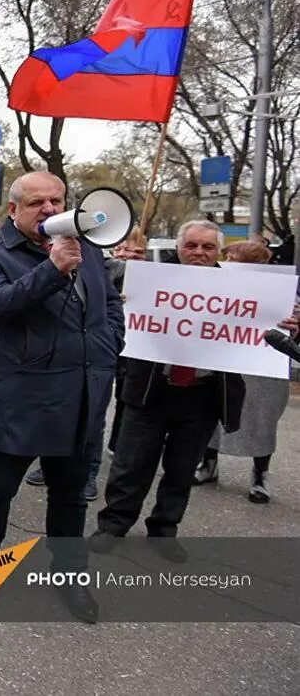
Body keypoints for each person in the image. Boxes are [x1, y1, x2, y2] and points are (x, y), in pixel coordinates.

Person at [0, 173, 123, 624]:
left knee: (70, 496)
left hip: (81, 394)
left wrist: (110, 345)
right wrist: (51, 269)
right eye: (38, 202)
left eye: (57, 200)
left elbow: (109, 304)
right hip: (22, 396)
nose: (50, 209)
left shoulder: (85, 245)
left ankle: (69, 577)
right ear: (14, 210)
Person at [91, 221, 297, 560]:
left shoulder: (242, 289)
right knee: (131, 465)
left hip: (203, 395)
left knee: (182, 468)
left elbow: (266, 334)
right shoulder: (150, 279)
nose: (199, 253)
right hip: (150, 390)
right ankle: (114, 524)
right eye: (192, 246)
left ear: (218, 251)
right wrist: (122, 302)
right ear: (179, 246)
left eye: (207, 247)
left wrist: (286, 324)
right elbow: (108, 306)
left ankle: (165, 529)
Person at [25, 226, 147, 495]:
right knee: (59, 410)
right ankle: (49, 464)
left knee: (93, 418)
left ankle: (89, 472)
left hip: (106, 355)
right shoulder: (98, 263)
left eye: (134, 249)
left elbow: (113, 305)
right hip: (72, 354)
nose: (127, 253)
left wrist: (112, 341)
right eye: (123, 248)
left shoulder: (149, 272)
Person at [194, 241, 295, 503]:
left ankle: (260, 474)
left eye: (235, 259)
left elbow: (292, 334)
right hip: (222, 360)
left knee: (262, 421)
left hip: (264, 368)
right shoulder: (211, 286)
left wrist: (294, 324)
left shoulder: (282, 293)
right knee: (212, 412)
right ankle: (208, 463)